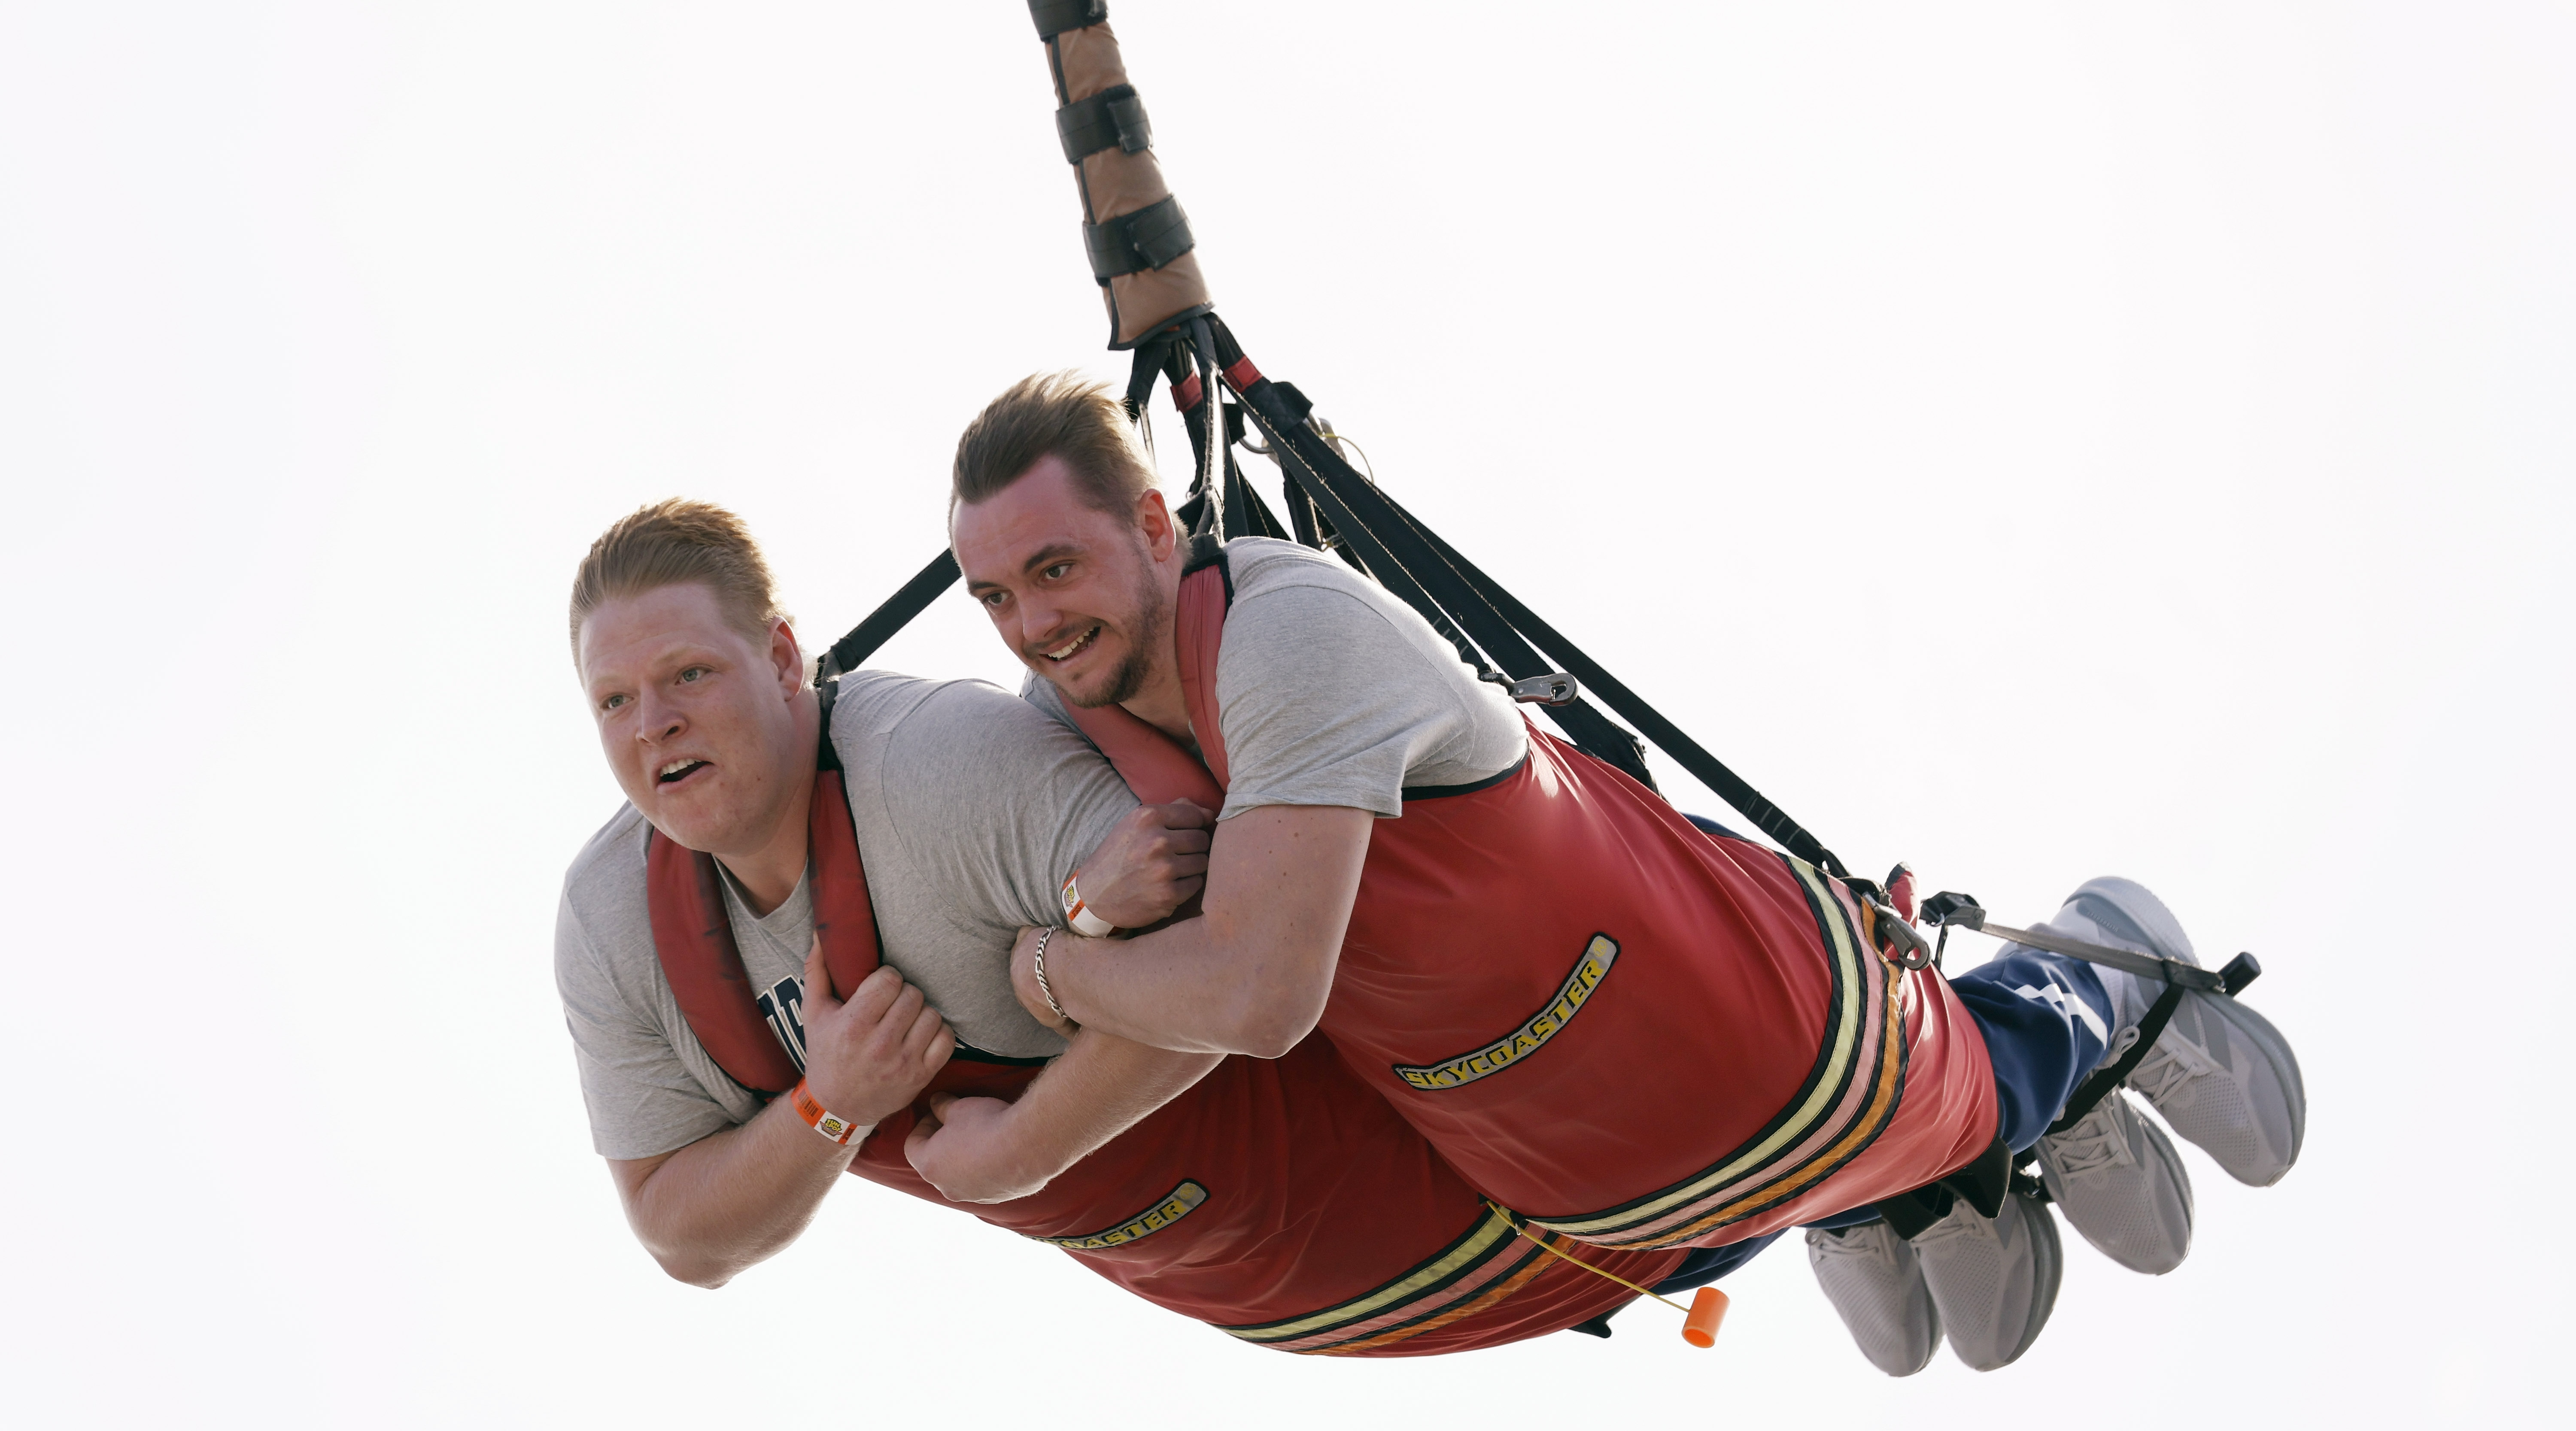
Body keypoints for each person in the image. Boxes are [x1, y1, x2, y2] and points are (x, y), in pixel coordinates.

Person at [941, 373, 2308, 1372]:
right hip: (1594, 1176)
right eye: (994, 597)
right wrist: (1072, 915)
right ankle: (1930, 1174)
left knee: (1951, 1101)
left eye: (1056, 568)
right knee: (1853, 1291)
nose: (1032, 626)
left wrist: (1053, 966)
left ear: (1157, 524)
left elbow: (1254, 994)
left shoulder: (1282, 628)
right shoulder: (1074, 728)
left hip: (1743, 1019)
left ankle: (2085, 988)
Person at [553, 498, 1771, 1356]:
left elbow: (1236, 957)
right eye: (615, 700)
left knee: (1762, 1156)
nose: (652, 723)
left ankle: (1928, 1071)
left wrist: (1034, 1081)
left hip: (1519, 1190)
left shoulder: (942, 767)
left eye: (687, 677)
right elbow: (681, 1236)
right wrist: (831, 1105)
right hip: (1304, 1295)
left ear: (778, 658)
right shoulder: (613, 923)